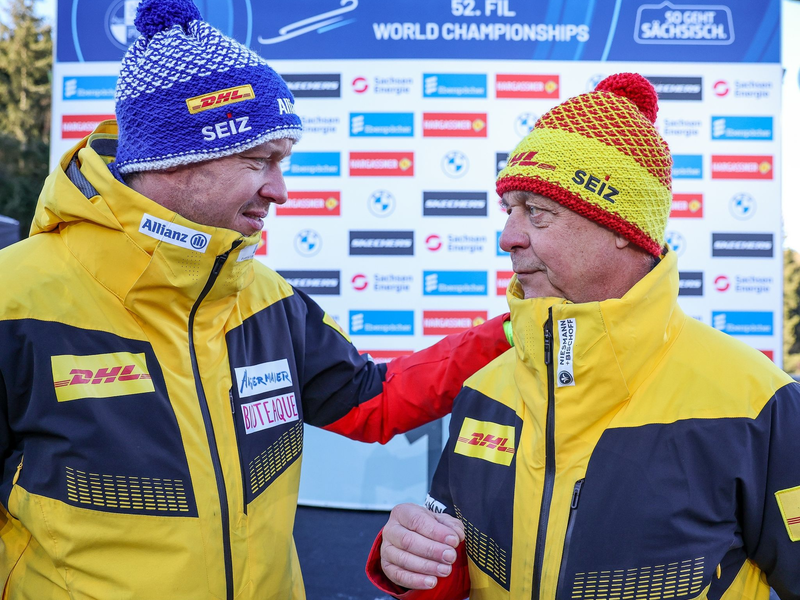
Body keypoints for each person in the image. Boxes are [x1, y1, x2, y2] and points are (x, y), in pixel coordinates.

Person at [0, 1, 513, 598]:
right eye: (259, 161)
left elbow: (372, 402)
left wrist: (517, 331)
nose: (281, 189)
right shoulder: (17, 299)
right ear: (173, 160)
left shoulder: (264, 296)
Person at [366, 73, 800, 600]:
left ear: (623, 228)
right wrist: (414, 561)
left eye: (538, 213)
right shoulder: (485, 392)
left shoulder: (758, 403)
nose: (508, 237)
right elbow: (456, 576)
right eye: (510, 211)